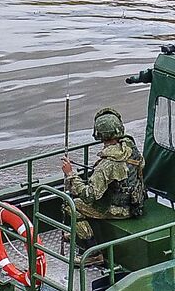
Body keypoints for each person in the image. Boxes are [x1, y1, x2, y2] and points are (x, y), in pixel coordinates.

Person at [60, 108, 145, 257]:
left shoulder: (107, 165)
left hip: (119, 209)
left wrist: (70, 174)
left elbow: (89, 196)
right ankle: (81, 233)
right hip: (136, 202)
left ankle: (92, 253)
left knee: (71, 206)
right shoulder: (131, 147)